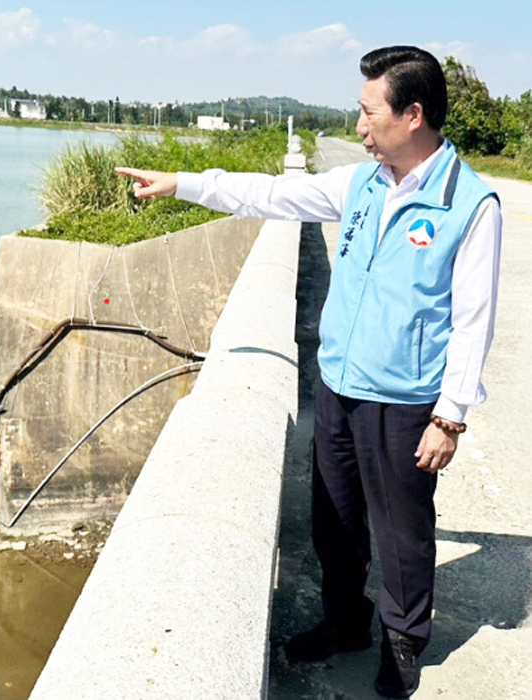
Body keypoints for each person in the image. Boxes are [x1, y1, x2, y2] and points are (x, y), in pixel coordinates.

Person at [116, 46, 501, 699]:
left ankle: (403, 645)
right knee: (335, 519)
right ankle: (345, 623)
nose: (357, 126)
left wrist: (451, 415)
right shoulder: (362, 185)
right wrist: (182, 181)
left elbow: (474, 319)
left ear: (411, 115)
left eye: (366, 111)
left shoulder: (470, 204)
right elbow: (269, 194)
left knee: (404, 532)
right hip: (341, 386)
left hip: (407, 401)